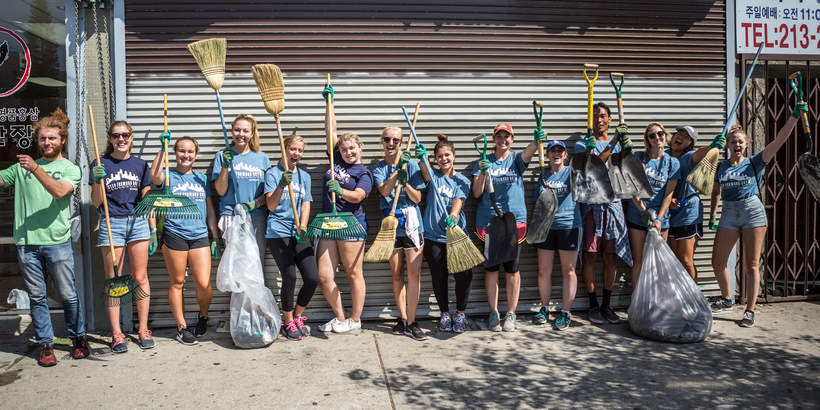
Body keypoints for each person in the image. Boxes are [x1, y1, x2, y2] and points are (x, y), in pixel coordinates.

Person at [0, 109, 89, 366]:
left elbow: (60, 192)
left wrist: (36, 169)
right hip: (27, 243)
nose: (47, 143)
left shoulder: (69, 168)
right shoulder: (20, 168)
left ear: (62, 141)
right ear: (37, 141)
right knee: (37, 297)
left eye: (52, 138)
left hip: (57, 242)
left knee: (68, 294)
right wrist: (27, 167)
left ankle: (78, 339)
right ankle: (46, 345)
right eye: (42, 139)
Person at [709, 101, 803, 327]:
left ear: (747, 144)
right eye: (733, 142)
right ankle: (727, 297)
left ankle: (750, 310)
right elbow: (715, 191)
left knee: (751, 264)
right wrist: (712, 215)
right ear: (728, 145)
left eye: (741, 141)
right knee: (717, 261)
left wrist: (794, 117)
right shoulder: (721, 167)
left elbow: (778, 141)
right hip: (729, 213)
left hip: (752, 211)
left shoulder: (755, 162)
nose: (737, 144)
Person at [90, 120, 154, 352]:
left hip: (138, 222)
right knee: (114, 279)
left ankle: (143, 328)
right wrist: (98, 180)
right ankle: (117, 334)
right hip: (112, 222)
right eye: (116, 136)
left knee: (140, 277)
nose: (121, 139)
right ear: (110, 138)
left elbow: (147, 200)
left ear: (132, 137)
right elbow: (96, 202)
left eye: (125, 135)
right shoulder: (100, 162)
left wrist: (153, 228)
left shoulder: (141, 165)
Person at [472, 122, 541, 332]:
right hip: (489, 222)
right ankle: (493, 312)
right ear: (494, 140)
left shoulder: (516, 160)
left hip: (514, 221)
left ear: (512, 139)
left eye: (507, 136)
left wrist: (537, 141)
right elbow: (476, 193)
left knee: (512, 270)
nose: (503, 140)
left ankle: (511, 312)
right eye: (499, 137)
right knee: (491, 268)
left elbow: (529, 151)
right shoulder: (483, 161)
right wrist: (483, 172)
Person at [150, 135, 218, 345]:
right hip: (174, 234)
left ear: (195, 155)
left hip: (199, 236)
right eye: (181, 151)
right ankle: (181, 327)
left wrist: (214, 235)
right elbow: (154, 176)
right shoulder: (168, 176)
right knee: (177, 282)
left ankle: (203, 316)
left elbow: (209, 210)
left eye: (190, 152)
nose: (185, 155)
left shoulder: (201, 180)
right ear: (175, 153)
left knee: (204, 283)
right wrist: (162, 149)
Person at [574, 102, 633, 325]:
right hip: (591, 206)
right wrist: (614, 141)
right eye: (595, 116)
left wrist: (626, 144)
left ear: (610, 119)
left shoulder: (618, 144)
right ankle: (593, 305)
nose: (599, 120)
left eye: (603, 116)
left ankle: (607, 305)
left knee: (611, 256)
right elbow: (595, 165)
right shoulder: (583, 145)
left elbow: (628, 172)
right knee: (589, 256)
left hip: (614, 205)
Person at [371, 126, 427, 340]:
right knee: (396, 273)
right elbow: (384, 191)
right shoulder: (378, 168)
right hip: (391, 224)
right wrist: (396, 173)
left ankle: (413, 321)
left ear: (402, 143)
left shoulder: (412, 165)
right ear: (382, 142)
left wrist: (406, 183)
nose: (391, 143)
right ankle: (403, 319)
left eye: (396, 140)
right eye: (387, 139)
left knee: (413, 274)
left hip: (412, 223)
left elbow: (418, 199)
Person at [316, 131, 373, 333]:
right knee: (324, 276)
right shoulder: (336, 161)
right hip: (329, 223)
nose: (348, 152)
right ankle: (340, 318)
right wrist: (328, 104)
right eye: (344, 149)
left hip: (351, 224)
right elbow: (330, 131)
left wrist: (340, 191)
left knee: (353, 273)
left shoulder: (363, 173)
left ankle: (355, 319)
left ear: (360, 148)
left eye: (352, 148)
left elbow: (358, 196)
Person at [264, 134, 318, 341]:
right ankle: (287, 322)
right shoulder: (272, 173)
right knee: (290, 277)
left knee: (312, 277)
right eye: (293, 149)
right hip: (278, 232)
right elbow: (270, 205)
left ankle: (297, 315)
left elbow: (306, 203)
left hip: (298, 232)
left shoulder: (304, 176)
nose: (296, 153)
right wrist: (280, 185)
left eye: (300, 150)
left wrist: (303, 225)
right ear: (284, 149)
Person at [416, 134, 473, 334]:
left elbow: (459, 200)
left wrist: (454, 216)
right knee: (439, 276)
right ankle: (445, 314)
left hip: (456, 236)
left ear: (454, 156)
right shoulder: (433, 177)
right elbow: (425, 172)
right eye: (439, 156)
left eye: (447, 155)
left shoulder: (462, 180)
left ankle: (460, 313)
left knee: (463, 276)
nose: (444, 159)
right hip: (433, 236)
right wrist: (421, 157)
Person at [532, 140, 581, 331]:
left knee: (568, 271)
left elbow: (588, 171)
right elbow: (537, 203)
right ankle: (544, 308)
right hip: (545, 228)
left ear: (566, 155)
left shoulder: (572, 173)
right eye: (553, 150)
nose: (557, 153)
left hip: (569, 226)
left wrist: (588, 149)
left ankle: (566, 312)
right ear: (547, 155)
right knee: (544, 271)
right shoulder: (542, 177)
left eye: (560, 150)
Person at [624, 123, 680, 287]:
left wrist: (659, 219)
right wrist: (643, 212)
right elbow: (633, 189)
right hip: (637, 217)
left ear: (666, 135)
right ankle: (638, 302)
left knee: (659, 262)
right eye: (652, 135)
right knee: (639, 261)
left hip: (660, 220)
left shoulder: (672, 163)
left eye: (660, 134)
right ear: (647, 140)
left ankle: (658, 303)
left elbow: (669, 193)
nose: (657, 138)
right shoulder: (639, 158)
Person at [212, 114, 270, 263]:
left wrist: (254, 204)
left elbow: (269, 192)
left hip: (256, 216)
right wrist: (225, 165)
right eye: (237, 130)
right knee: (234, 264)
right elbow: (220, 191)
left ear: (252, 133)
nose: (241, 134)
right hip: (230, 216)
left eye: (245, 131)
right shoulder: (222, 155)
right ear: (232, 131)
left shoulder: (262, 158)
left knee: (255, 263)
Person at [667, 126, 711, 282]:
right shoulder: (664, 156)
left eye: (686, 136)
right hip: (667, 214)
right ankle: (678, 297)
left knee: (686, 260)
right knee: (672, 260)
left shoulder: (688, 157)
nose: (680, 136)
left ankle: (694, 299)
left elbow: (700, 154)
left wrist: (714, 146)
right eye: (679, 133)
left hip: (688, 214)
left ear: (690, 144)